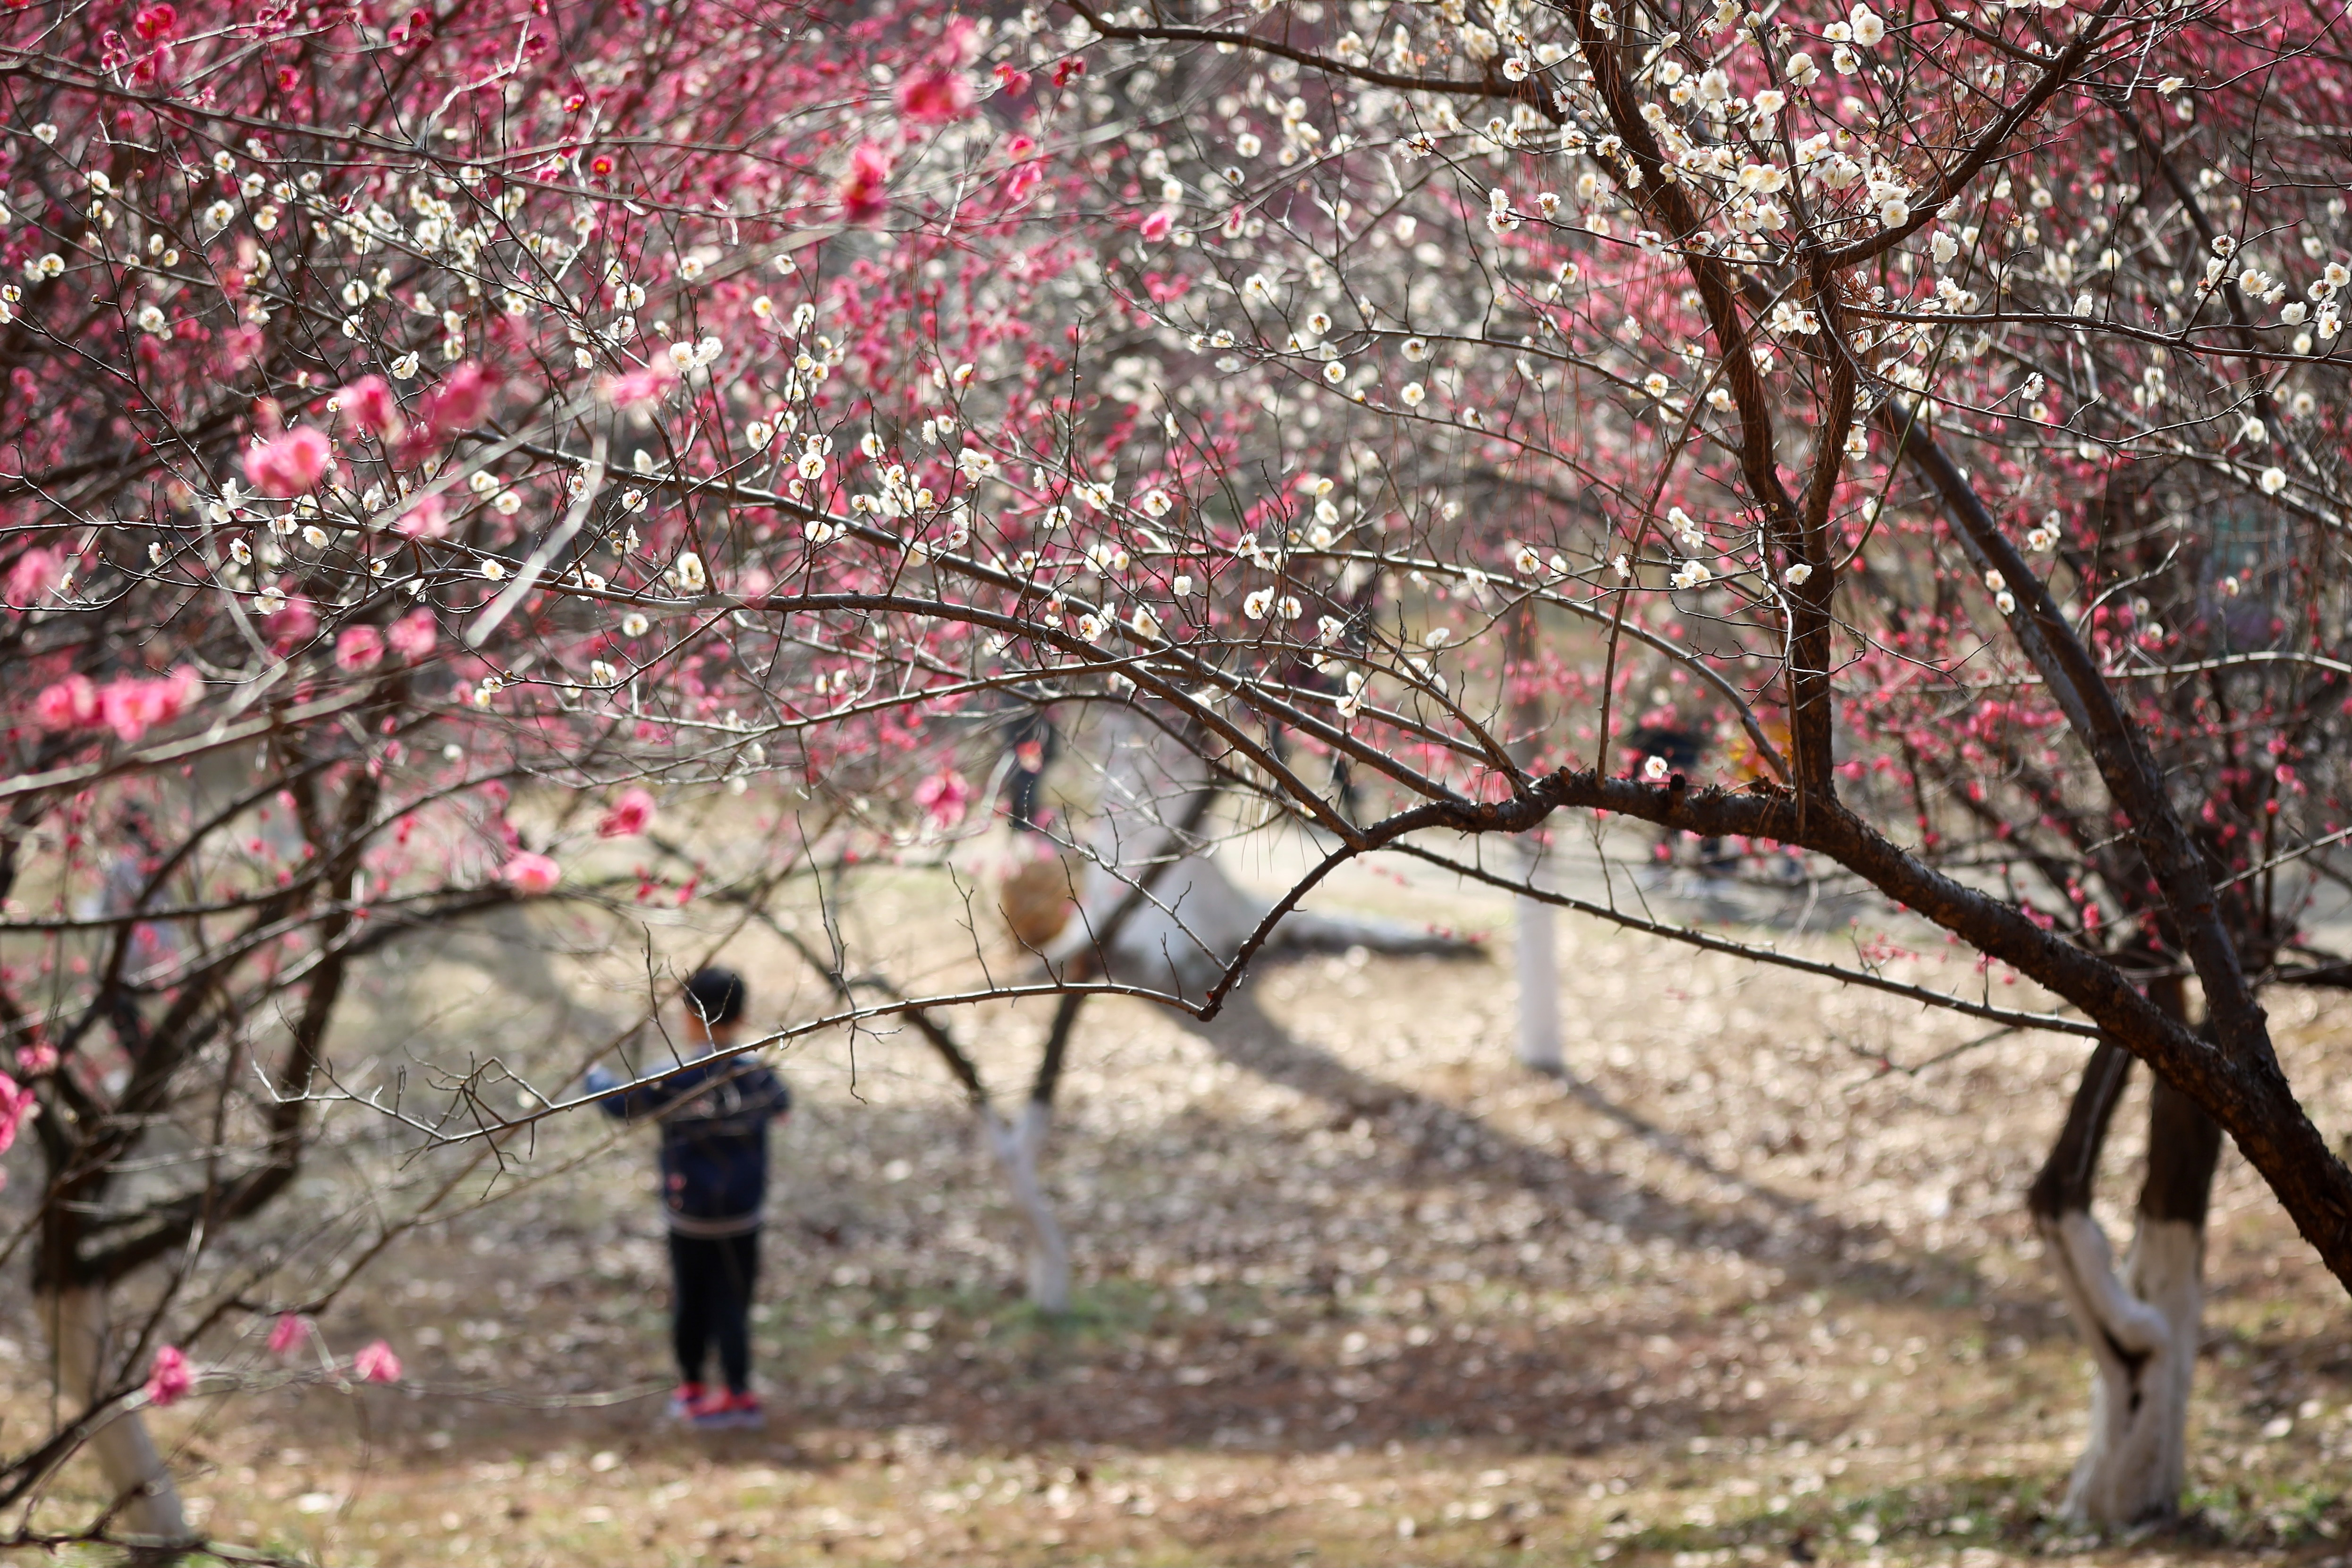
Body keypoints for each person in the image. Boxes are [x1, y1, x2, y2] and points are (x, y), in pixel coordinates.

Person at [585, 967, 790, 1432]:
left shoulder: (672, 1078)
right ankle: (739, 1393)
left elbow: (619, 1105)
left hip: (690, 1217)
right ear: (742, 1015)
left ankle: (693, 1388)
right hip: (742, 1216)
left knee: (691, 1304)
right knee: (733, 1305)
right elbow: (782, 1107)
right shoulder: (756, 1075)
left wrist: (594, 1077)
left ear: (689, 1017)